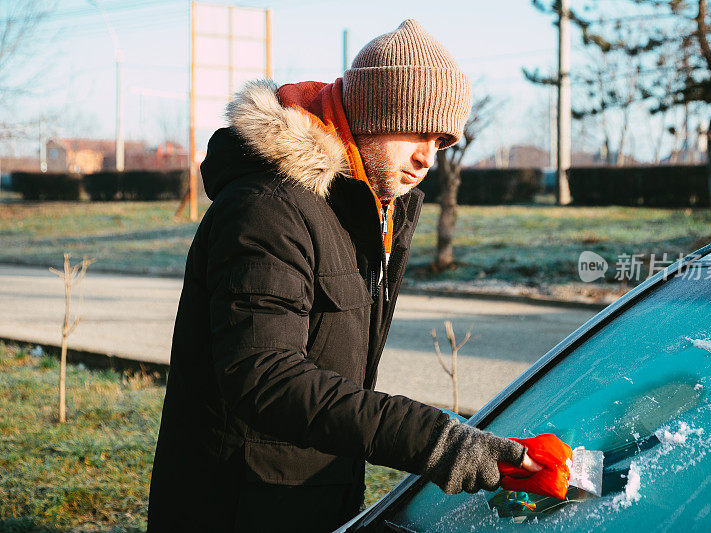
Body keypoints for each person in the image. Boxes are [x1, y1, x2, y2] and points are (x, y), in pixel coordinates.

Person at [147, 19, 539, 532]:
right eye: (417, 131)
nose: (427, 158)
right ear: (375, 114)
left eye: (440, 141)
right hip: (236, 506)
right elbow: (265, 375)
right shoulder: (269, 207)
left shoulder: (362, 208)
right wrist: (439, 442)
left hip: (308, 499)